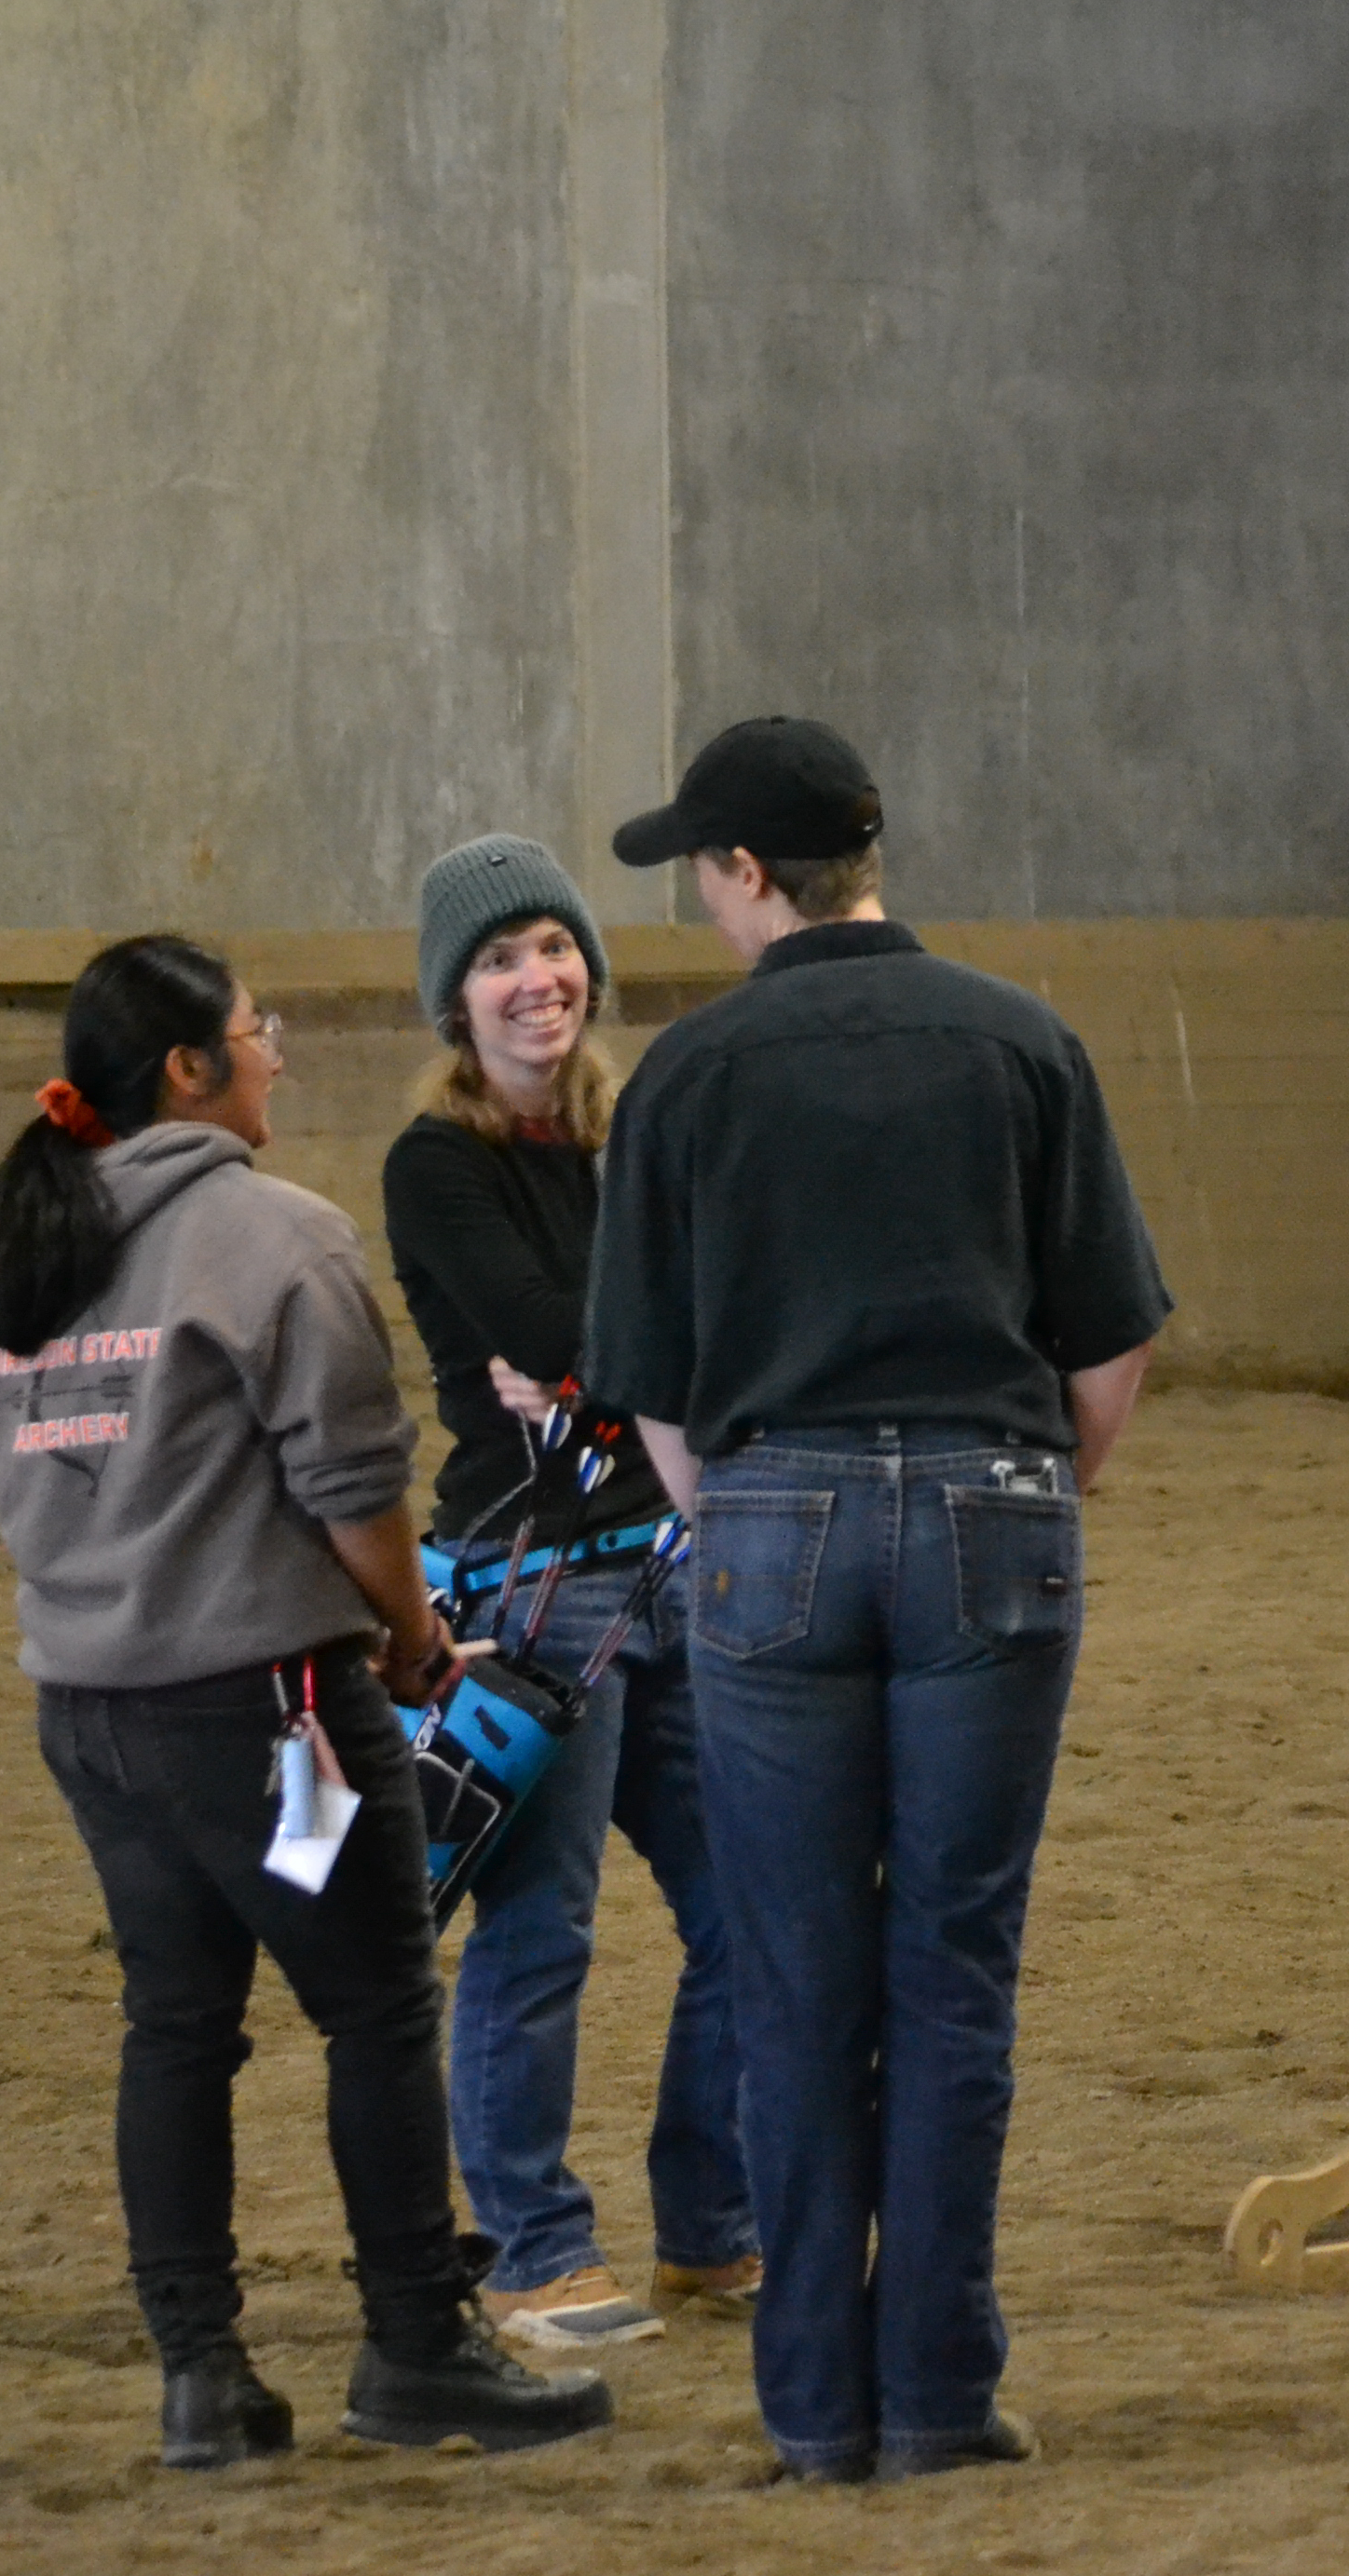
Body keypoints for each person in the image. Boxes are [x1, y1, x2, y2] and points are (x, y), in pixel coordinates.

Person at [579, 716, 1170, 2483]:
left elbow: (651, 1385)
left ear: (749, 873)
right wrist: (1021, 1488)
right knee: (953, 1972)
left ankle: (813, 2410)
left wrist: (749, 1507)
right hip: (998, 1510)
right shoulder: (1019, 1039)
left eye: (702, 863)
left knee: (792, 1976)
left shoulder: (689, 1078)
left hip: (773, 1522)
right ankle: (938, 2398)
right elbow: (1115, 1345)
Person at [0, 935, 612, 2468]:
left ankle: (203, 2375)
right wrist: (405, 1633)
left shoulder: (28, 1256)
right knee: (378, 2008)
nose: (279, 1054)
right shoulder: (277, 1237)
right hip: (270, 1709)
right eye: (260, 1032)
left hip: (92, 1708)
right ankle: (414, 2344)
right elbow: (355, 1489)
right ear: (190, 1072)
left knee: (176, 2027)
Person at [382, 834, 759, 2350]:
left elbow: (660, 1322)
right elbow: (573, 1321)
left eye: (551, 947)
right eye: (495, 961)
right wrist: (625, 1343)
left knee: (750, 1908)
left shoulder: (643, 1126)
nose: (535, 980)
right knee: (539, 1929)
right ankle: (534, 2247)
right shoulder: (435, 1165)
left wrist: (604, 1361)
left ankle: (711, 2224)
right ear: (453, 1004)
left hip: (672, 1570)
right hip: (536, 1595)